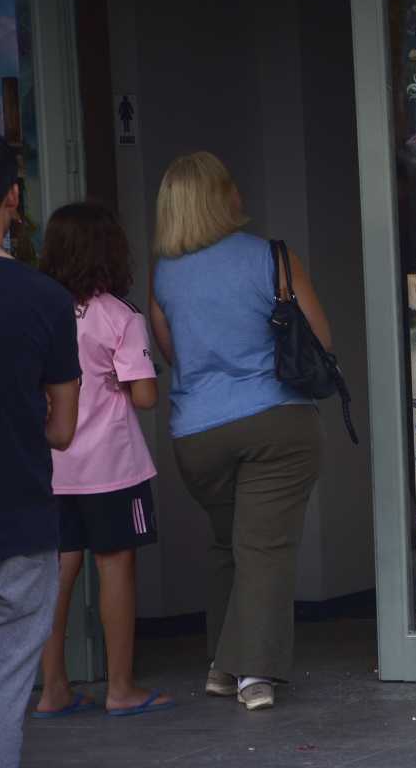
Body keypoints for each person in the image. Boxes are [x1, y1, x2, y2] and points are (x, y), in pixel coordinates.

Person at [150, 151, 329, 711]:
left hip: (197, 436)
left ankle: (220, 665)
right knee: (265, 548)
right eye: (232, 185)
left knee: (230, 544)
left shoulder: (164, 276)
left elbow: (175, 354)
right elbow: (322, 342)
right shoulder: (272, 258)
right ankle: (253, 673)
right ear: (220, 196)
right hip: (275, 422)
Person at [34, 203, 174, 718]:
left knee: (56, 577)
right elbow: (144, 398)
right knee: (117, 570)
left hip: (54, 466)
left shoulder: (41, 310)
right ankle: (120, 689)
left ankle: (52, 690)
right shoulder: (120, 315)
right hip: (113, 469)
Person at [0, 139, 81, 765]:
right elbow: (61, 431)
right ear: (13, 199)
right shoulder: (45, 300)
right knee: (6, 688)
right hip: (19, 520)